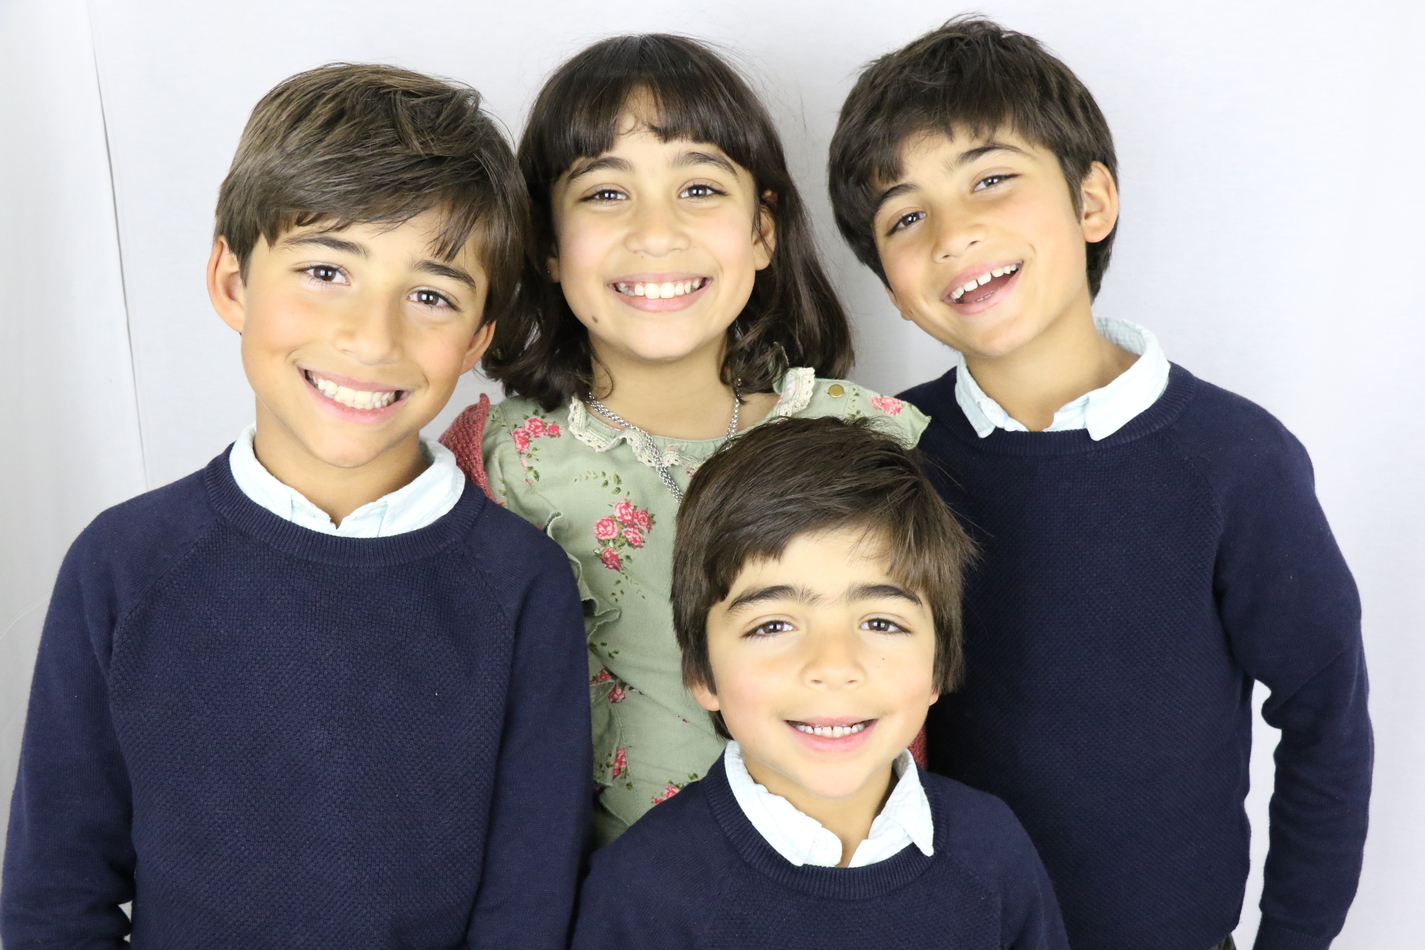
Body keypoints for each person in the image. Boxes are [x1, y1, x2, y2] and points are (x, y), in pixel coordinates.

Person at [1, 64, 590, 949]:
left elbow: (527, 907)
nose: (372, 338)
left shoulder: (521, 585)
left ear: (478, 337)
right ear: (232, 282)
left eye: (429, 295)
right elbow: (53, 897)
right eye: (325, 270)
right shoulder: (123, 563)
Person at [827, 17, 1372, 950]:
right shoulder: (883, 454)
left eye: (989, 179)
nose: (954, 234)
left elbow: (1325, 720)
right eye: (906, 217)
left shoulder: (1233, 460)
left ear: (1091, 201)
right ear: (890, 286)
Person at [440, 34, 923, 846]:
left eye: (698, 187)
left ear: (762, 231)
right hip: (602, 892)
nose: (655, 232)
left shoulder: (861, 435)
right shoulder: (501, 461)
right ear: (547, 245)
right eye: (604, 193)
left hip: (838, 886)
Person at [571, 416, 1066, 949]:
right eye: (773, 626)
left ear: (938, 665)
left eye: (881, 623)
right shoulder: (643, 888)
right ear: (701, 673)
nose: (833, 665)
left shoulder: (992, 848)